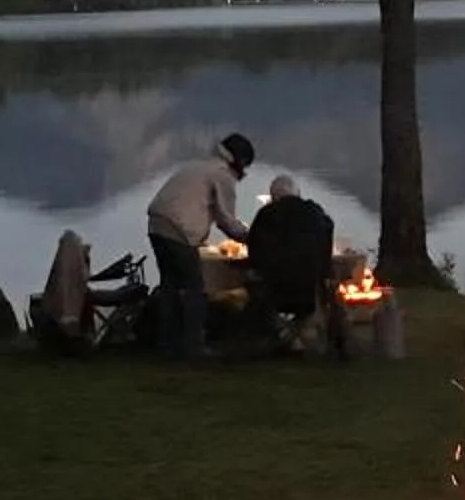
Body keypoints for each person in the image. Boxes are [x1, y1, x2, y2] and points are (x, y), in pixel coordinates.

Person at [144, 132, 254, 359]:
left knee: (170, 287)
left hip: (157, 224)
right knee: (195, 288)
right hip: (180, 228)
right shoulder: (222, 175)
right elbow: (225, 219)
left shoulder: (198, 167)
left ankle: (166, 344)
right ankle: (194, 346)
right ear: (239, 160)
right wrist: (250, 238)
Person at [245, 176, 344, 356]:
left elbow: (254, 249)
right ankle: (296, 336)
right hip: (310, 287)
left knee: (251, 283)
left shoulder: (267, 215)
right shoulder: (316, 212)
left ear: (273, 197)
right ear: (298, 193)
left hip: (275, 286)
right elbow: (327, 238)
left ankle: (283, 333)